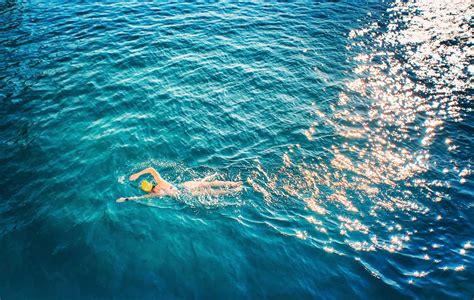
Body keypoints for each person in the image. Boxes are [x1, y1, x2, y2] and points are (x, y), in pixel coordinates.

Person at [116, 167, 243, 202]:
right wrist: (137, 175)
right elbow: (151, 170)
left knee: (209, 191)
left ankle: (233, 190)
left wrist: (125, 199)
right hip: (184, 186)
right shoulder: (160, 183)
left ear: (149, 190)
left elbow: (139, 198)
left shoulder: (155, 194)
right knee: (208, 184)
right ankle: (234, 184)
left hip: (183, 193)